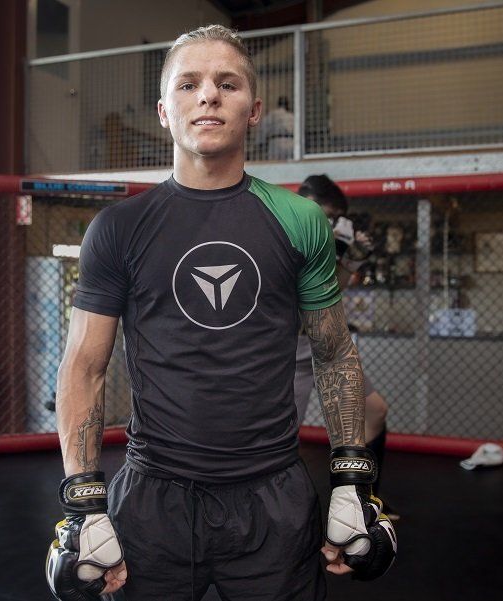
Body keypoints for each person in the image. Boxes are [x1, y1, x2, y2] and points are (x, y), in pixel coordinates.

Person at [45, 25, 396, 601]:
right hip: (153, 498)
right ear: (164, 110)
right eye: (189, 83)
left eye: (226, 84)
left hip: (273, 500)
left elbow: (333, 354)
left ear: (254, 109)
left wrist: (352, 478)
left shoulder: (300, 220)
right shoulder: (118, 229)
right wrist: (83, 501)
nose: (208, 95)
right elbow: (83, 367)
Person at [293, 174, 397, 518]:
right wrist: (337, 249)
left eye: (335, 217)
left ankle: (363, 505)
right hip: (286, 350)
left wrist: (352, 257)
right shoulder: (283, 235)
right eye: (325, 214)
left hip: (323, 341)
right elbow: (296, 305)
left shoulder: (324, 240)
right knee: (276, 439)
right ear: (303, 204)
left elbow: (326, 296)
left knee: (374, 411)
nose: (329, 223)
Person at [253, 95, 294, 160]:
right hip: (291, 143)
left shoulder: (272, 115)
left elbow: (263, 129)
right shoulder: (292, 116)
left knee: (275, 165)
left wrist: (259, 143)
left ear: (278, 104)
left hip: (275, 143)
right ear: (287, 104)